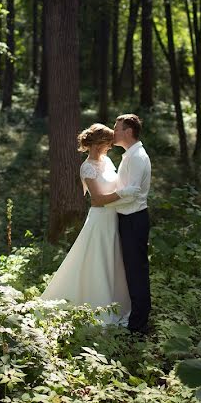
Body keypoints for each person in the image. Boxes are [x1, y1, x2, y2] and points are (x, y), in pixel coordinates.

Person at [40, 123, 139, 325]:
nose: (111, 147)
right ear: (98, 144)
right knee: (97, 261)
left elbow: (116, 184)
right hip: (100, 219)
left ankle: (117, 304)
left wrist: (126, 193)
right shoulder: (87, 167)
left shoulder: (107, 161)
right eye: (108, 144)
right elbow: (96, 200)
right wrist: (122, 194)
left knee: (114, 262)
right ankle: (95, 310)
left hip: (114, 217)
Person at [111, 114, 152, 334]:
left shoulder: (137, 157)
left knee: (137, 271)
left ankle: (138, 326)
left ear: (128, 131)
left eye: (117, 128)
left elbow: (131, 193)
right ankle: (136, 319)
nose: (113, 132)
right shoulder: (130, 155)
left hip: (134, 219)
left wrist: (105, 202)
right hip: (128, 217)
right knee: (132, 270)